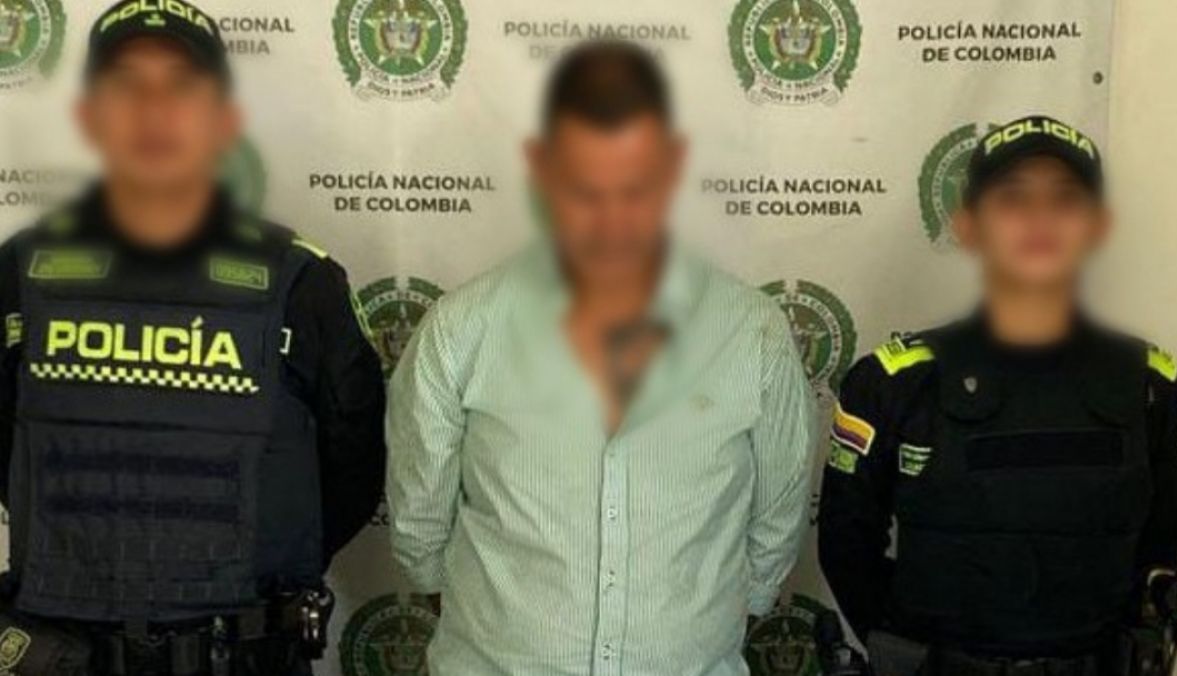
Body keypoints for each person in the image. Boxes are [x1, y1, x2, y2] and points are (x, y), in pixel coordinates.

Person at [387, 41, 818, 675]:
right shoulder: (462, 329)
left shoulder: (752, 333)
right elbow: (419, 524)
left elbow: (779, 513)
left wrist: (701, 628)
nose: (612, 215)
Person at [0, 1, 386, 673]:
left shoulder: (302, 282)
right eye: (126, 84)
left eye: (182, 85)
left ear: (222, 119)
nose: (154, 110)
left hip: (241, 656)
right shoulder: (19, 273)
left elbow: (351, 474)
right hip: (65, 656)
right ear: (90, 114)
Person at [818, 115, 1177, 676]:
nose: (1040, 219)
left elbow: (1164, 543)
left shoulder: (1155, 387)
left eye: (1065, 199)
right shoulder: (892, 383)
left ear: (1097, 226)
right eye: (1013, 198)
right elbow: (846, 547)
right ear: (968, 225)